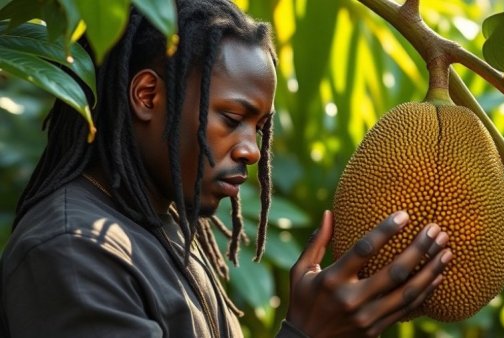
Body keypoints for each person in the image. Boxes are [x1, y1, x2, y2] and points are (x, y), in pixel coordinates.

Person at [0, 0, 452, 337]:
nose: (252, 151)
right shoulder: (72, 253)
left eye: (259, 128)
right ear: (147, 96)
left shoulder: (162, 225)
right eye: (232, 120)